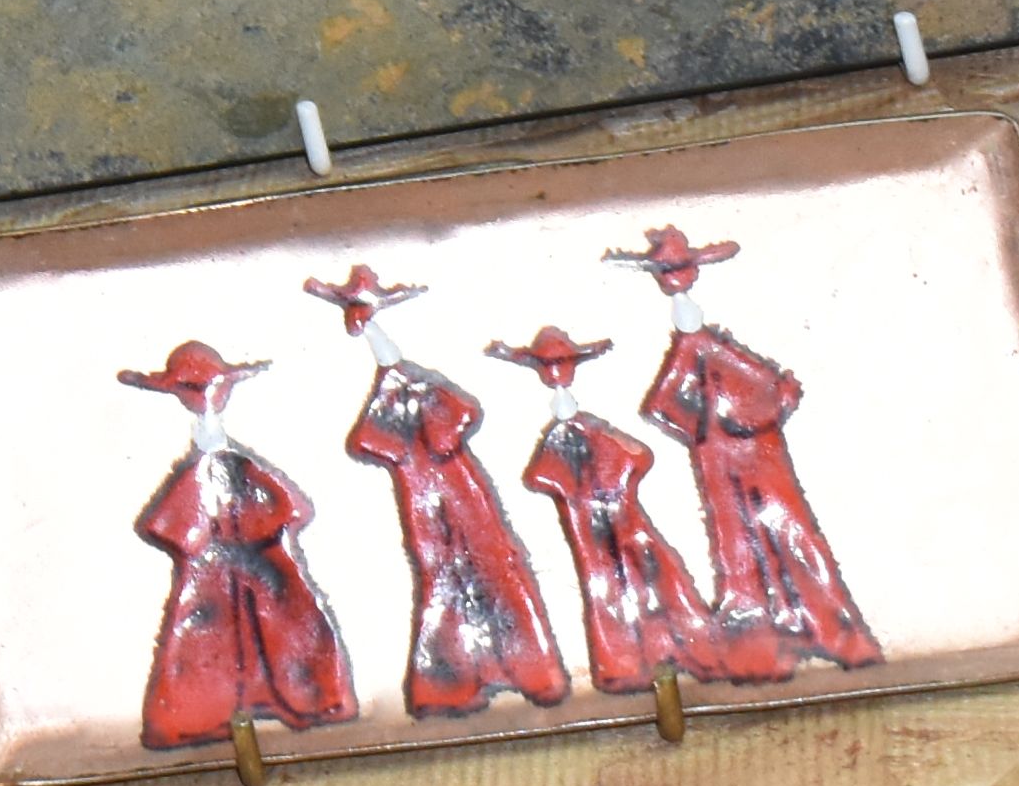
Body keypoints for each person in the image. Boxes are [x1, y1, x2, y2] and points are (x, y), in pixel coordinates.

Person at [615, 229, 873, 676]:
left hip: (758, 458)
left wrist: (753, 414)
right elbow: (662, 406)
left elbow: (756, 393)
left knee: (784, 532)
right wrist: (715, 430)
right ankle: (775, 624)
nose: (679, 283)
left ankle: (808, 619)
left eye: (682, 272)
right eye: (671, 275)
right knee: (744, 540)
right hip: (728, 461)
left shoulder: (713, 347)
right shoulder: (695, 349)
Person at [309, 264, 563, 716]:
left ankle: (521, 667)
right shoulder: (390, 396)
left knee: (488, 563)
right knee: (446, 574)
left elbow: (458, 415)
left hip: (457, 489)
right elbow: (367, 442)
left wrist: (431, 441)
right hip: (427, 497)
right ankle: (458, 677)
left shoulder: (419, 388)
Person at [119, 339, 350, 748]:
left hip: (262, 567)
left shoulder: (241, 468)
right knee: (211, 638)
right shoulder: (207, 470)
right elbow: (169, 526)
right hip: (211, 576)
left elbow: (291, 509)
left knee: (280, 633)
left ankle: (296, 698)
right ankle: (208, 711)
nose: (205, 400)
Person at [485, 328, 718, 694]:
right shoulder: (561, 438)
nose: (556, 377)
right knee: (609, 593)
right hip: (590, 534)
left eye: (560, 366)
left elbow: (638, 456)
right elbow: (539, 477)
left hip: (623, 521)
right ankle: (628, 660)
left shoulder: (591, 432)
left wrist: (614, 486)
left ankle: (681, 645)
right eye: (549, 367)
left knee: (653, 577)